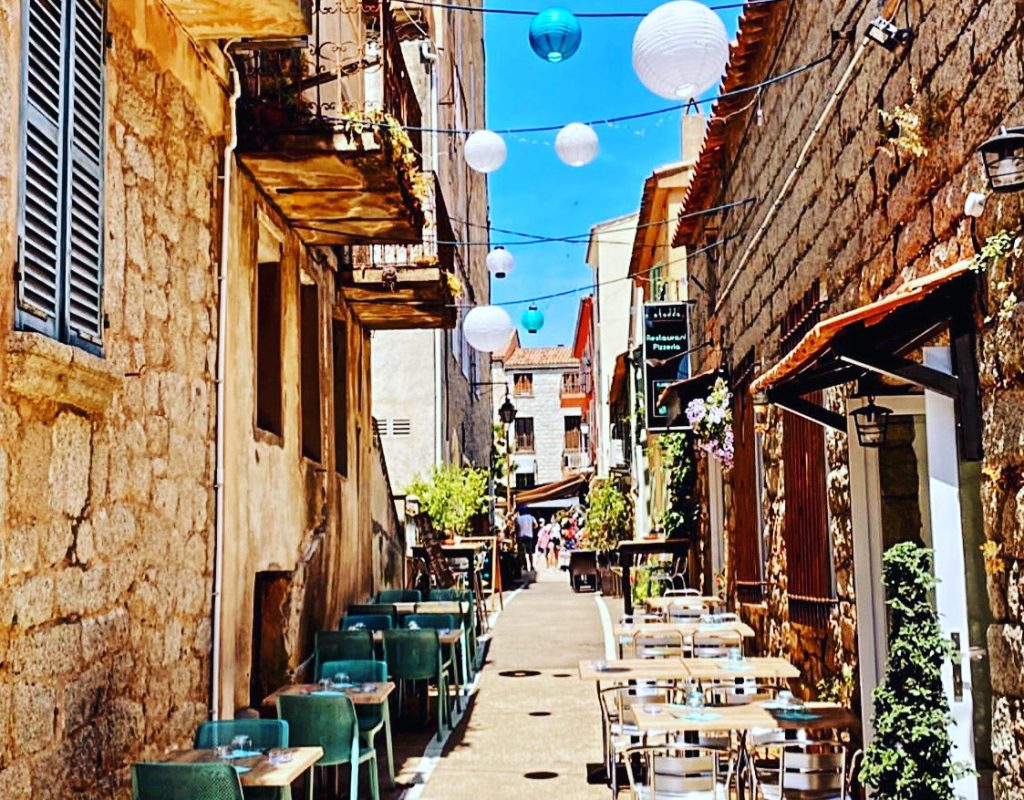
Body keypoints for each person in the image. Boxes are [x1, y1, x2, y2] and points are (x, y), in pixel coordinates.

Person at [516, 506, 538, 571]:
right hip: (529, 535)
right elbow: (536, 525)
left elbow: (517, 527)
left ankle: (525, 566)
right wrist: (531, 528)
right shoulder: (531, 517)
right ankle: (531, 565)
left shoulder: (518, 518)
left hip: (521, 536)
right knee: (530, 552)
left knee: (522, 552)